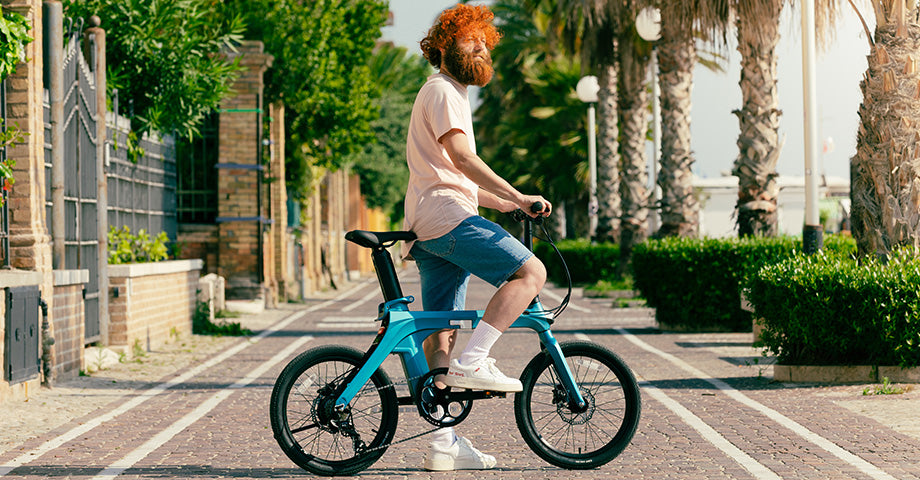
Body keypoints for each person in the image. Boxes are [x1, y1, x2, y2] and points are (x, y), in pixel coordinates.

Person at [402, 3, 551, 472]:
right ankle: (479, 357)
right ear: (444, 45)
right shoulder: (444, 91)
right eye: (472, 40)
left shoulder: (441, 93)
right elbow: (463, 159)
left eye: (486, 41)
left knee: (439, 334)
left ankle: (443, 443)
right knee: (531, 271)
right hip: (447, 221)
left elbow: (451, 176)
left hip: (432, 224)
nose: (482, 47)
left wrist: (503, 204)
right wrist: (519, 193)